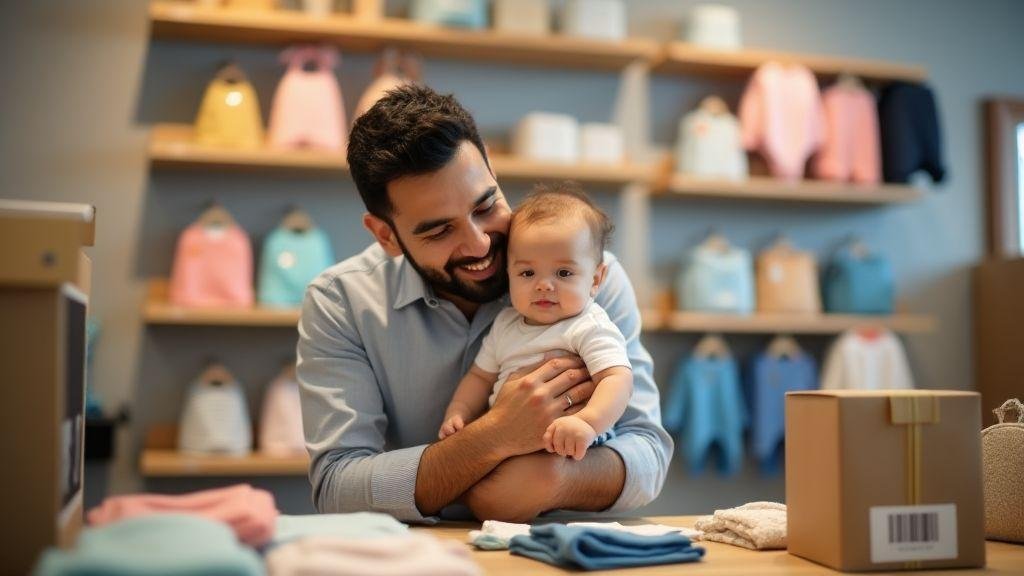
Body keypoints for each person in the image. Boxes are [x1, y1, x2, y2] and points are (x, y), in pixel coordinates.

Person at [296, 84, 671, 523]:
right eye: (440, 231)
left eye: (486, 205)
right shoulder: (340, 303)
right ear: (386, 235)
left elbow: (648, 453)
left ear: (491, 168)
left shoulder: (587, 278)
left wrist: (549, 480)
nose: (478, 244)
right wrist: (494, 436)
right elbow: (337, 487)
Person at [439, 184, 633, 463]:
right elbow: (480, 377)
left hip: (571, 442)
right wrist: (458, 411)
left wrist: (587, 422)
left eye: (563, 273)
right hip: (508, 441)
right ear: (509, 275)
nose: (544, 285)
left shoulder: (588, 325)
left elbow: (617, 379)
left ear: (595, 280)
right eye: (528, 273)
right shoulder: (505, 324)